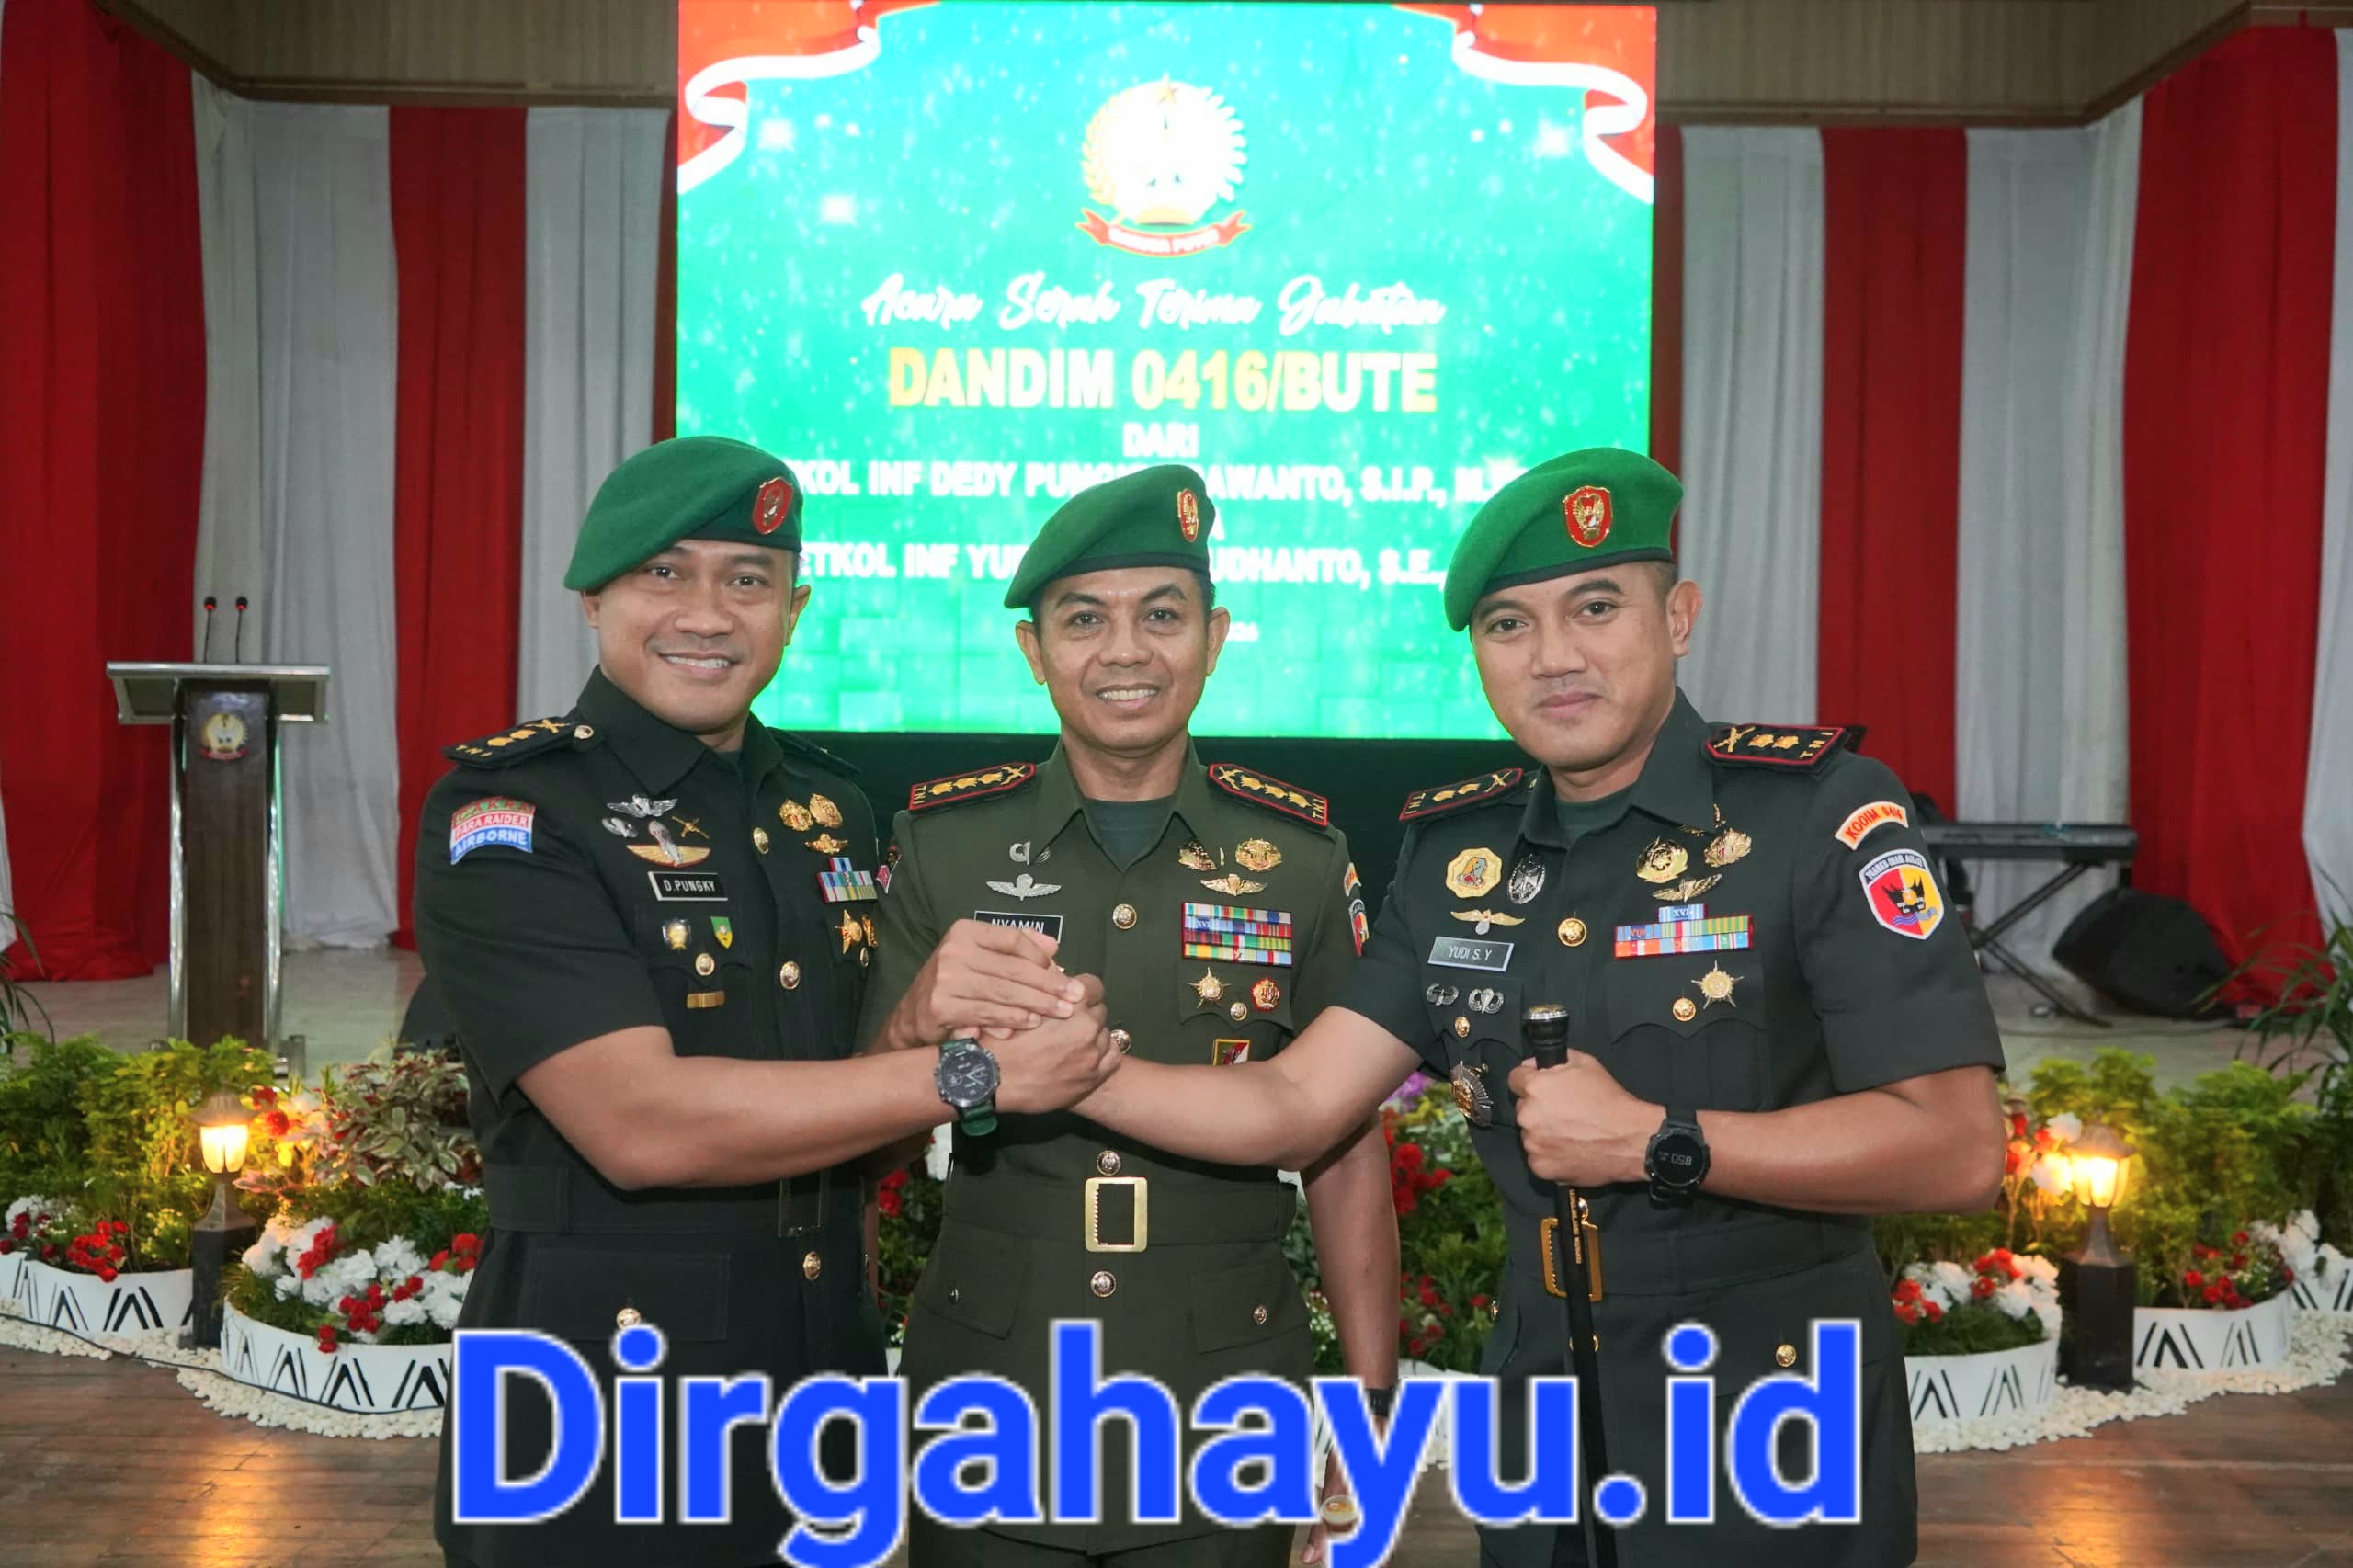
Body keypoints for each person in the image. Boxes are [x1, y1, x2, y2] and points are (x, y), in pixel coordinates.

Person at [1073, 448, 2007, 1567]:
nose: (1553, 656)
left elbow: (1955, 1148)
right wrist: (1079, 1066)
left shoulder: (1815, 816)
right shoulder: (1453, 855)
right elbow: (1294, 1100)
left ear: (1678, 618)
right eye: (1508, 625)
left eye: (1594, 607)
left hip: (1765, 1404)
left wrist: (1657, 1141)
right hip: (1540, 1409)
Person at [414, 436, 1120, 1568]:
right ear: (592, 596)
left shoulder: (826, 809)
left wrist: (922, 1022)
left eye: (746, 579)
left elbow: (852, 1114)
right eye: (665, 572)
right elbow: (637, 1123)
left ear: (793, 610)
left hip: (815, 1369)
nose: (707, 613)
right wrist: (970, 1073)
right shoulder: (513, 812)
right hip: (603, 1388)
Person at [858, 464, 1400, 1568]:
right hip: (987, 1394)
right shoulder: (943, 845)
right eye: (1083, 619)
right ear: (1032, 649)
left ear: (1214, 636)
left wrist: (1367, 1406)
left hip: (1223, 1399)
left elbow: (1345, 1148)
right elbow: (854, 1130)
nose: (1125, 651)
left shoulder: (1299, 858)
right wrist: (912, 1026)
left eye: (1161, 614)